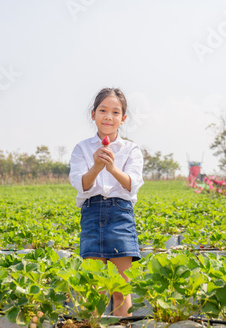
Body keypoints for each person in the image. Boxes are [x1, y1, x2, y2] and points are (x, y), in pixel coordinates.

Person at [69, 87, 144, 317]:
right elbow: (80, 184)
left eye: (115, 112)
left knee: (121, 288)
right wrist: (96, 167)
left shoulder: (132, 149)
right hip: (92, 212)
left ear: (123, 118)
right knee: (97, 287)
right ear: (93, 114)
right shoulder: (82, 148)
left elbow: (132, 184)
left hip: (120, 214)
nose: (108, 117)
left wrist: (110, 168)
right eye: (103, 110)